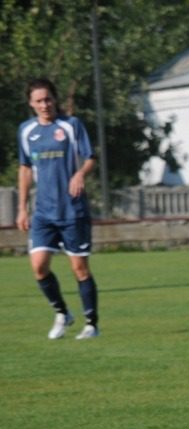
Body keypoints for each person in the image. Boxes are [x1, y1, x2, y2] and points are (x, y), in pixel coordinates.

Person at [16, 78, 100, 340]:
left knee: (79, 269)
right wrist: (22, 208)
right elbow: (25, 169)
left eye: (48, 99)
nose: (44, 105)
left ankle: (91, 324)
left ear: (55, 99)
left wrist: (79, 174)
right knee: (39, 267)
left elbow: (90, 157)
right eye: (39, 101)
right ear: (31, 104)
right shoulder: (26, 131)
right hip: (43, 212)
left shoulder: (71, 126)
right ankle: (62, 313)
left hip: (72, 211)